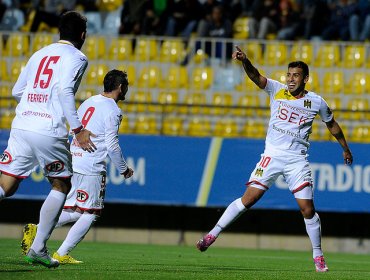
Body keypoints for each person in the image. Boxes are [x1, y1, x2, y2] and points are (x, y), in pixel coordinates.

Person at [196, 46, 353, 273]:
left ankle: (318, 255)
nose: (290, 79)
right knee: (248, 199)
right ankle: (212, 235)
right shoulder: (276, 90)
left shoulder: (316, 102)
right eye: (288, 75)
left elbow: (332, 124)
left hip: (297, 160)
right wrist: (245, 61)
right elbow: (255, 76)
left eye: (296, 75)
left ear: (305, 78)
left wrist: (345, 149)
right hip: (272, 156)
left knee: (307, 209)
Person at [0, 11, 95, 268]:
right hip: (47, 128)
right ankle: (38, 248)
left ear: (59, 32)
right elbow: (65, 89)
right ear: (82, 35)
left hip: (22, 124)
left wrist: (32, 106)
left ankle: (39, 248)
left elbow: (16, 90)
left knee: (6, 186)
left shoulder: (39, 53)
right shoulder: (78, 57)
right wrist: (78, 128)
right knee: (61, 184)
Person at [21, 69, 134, 264]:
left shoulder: (89, 102)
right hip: (92, 165)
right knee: (91, 213)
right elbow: (112, 145)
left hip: (74, 159)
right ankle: (62, 252)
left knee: (76, 210)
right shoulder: (113, 111)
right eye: (126, 86)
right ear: (120, 87)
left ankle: (38, 229)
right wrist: (123, 168)